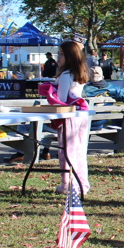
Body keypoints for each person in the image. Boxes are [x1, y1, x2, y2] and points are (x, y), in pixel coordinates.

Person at [55, 40, 91, 196]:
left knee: (67, 151)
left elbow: (61, 99)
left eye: (61, 54)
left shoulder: (65, 75)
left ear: (69, 56)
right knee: (79, 150)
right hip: (81, 112)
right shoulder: (78, 73)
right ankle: (82, 183)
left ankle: (68, 184)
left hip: (69, 115)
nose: (58, 58)